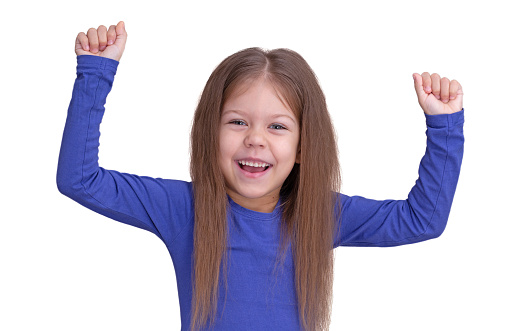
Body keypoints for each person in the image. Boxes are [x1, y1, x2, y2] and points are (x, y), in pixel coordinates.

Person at [57, 21, 464, 331]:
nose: (255, 140)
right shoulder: (184, 208)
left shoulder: (318, 214)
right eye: (237, 122)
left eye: (277, 127)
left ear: (304, 147)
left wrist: (444, 128)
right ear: (209, 133)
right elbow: (80, 179)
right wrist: (95, 74)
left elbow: (421, 221)